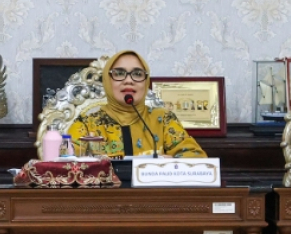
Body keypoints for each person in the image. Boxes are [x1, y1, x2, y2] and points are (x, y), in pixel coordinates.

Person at [65, 50, 206, 159]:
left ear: (146, 81)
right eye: (119, 73)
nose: (128, 80)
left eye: (137, 74)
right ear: (108, 81)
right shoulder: (86, 123)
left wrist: (171, 165)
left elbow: (197, 158)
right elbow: (67, 163)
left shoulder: (163, 120)